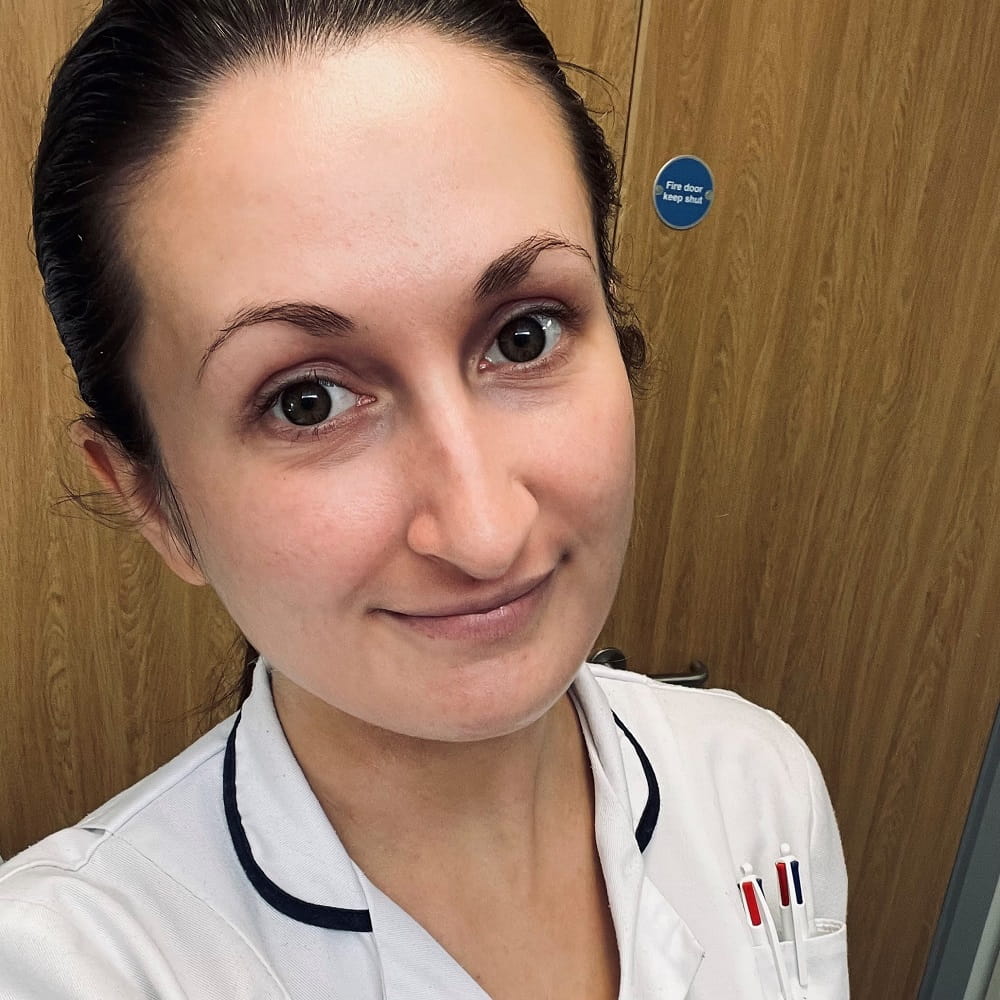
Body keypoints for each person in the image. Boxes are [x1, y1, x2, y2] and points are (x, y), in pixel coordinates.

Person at [0, 1, 848, 996]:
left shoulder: (755, 784)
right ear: (151, 498)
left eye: (524, 335)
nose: (487, 532)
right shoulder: (70, 964)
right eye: (305, 400)